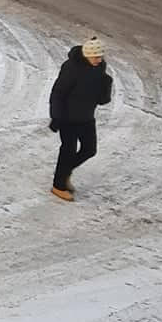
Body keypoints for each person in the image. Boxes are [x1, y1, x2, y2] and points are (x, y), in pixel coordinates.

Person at [47, 36, 112, 201]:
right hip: (68, 118)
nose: (100, 60)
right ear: (87, 55)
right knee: (68, 151)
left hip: (86, 117)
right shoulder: (71, 68)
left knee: (90, 149)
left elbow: (102, 100)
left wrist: (106, 86)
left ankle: (63, 173)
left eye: (101, 56)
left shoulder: (99, 67)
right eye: (96, 56)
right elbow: (58, 93)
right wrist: (56, 117)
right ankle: (58, 185)